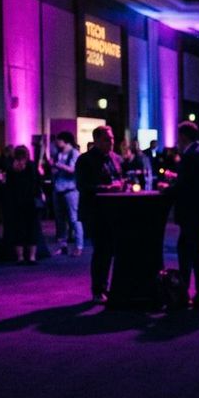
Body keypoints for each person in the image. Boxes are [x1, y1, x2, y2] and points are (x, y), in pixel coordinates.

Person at [166, 121, 199, 309]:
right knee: (193, 252)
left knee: (190, 253)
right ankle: (196, 294)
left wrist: (168, 190)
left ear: (183, 136)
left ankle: (187, 294)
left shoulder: (191, 156)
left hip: (191, 212)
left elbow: (185, 186)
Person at [76, 126, 124, 303]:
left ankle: (107, 287)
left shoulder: (114, 158)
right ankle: (98, 289)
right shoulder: (85, 160)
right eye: (106, 139)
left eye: (111, 139)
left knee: (111, 251)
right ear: (96, 140)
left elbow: (119, 177)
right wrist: (107, 188)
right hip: (95, 212)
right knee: (101, 251)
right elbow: (82, 186)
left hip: (113, 211)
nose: (111, 142)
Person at [4, 145, 42, 264]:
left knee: (18, 230)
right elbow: (37, 183)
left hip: (15, 203)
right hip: (30, 202)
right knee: (32, 229)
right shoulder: (32, 166)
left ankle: (20, 257)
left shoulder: (10, 168)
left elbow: (8, 187)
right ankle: (32, 257)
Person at [51, 132, 82, 256]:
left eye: (59, 140)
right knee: (60, 221)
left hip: (71, 190)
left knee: (74, 219)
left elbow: (74, 170)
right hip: (58, 189)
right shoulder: (58, 154)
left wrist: (59, 166)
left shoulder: (74, 153)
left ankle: (79, 246)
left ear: (65, 141)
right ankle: (62, 246)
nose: (57, 143)